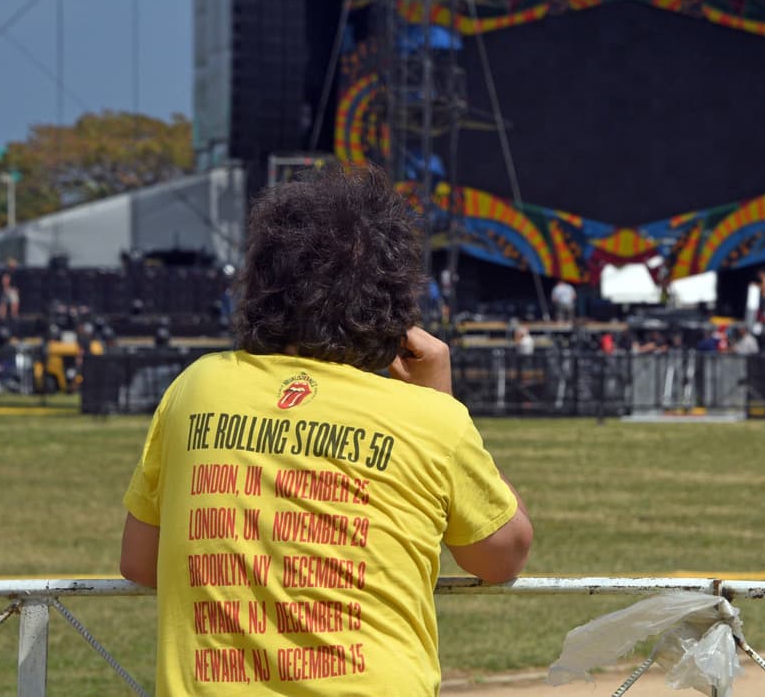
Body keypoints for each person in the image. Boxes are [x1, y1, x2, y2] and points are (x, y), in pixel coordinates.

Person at [118, 165, 533, 696]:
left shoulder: (198, 388)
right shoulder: (429, 416)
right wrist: (440, 400)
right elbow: (503, 556)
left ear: (262, 281)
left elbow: (140, 562)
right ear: (396, 301)